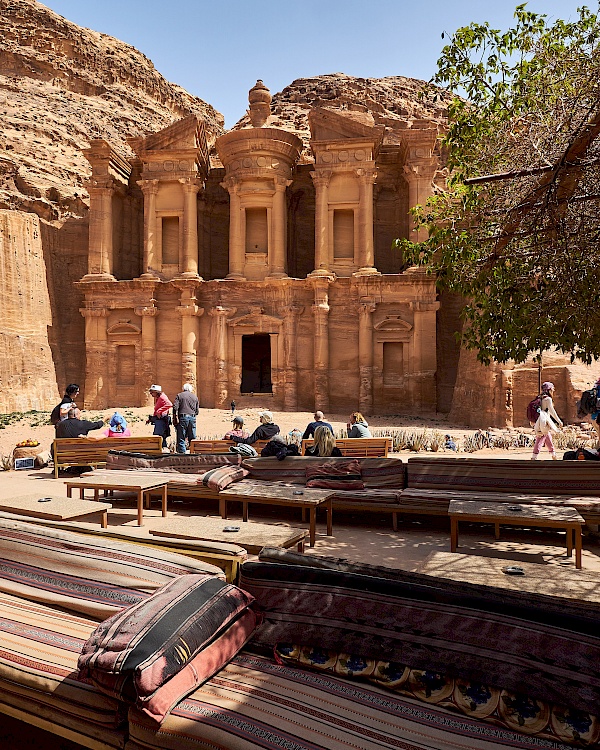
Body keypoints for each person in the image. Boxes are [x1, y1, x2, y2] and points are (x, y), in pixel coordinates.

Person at [531, 381, 563, 460]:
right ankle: (534, 456)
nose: (553, 391)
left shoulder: (539, 397)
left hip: (538, 421)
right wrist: (559, 421)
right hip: (543, 422)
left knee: (548, 437)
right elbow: (552, 411)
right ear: (549, 390)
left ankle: (553, 454)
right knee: (541, 438)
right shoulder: (548, 399)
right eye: (552, 389)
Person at [173, 383, 199, 454]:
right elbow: (197, 411)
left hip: (183, 418)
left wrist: (174, 417)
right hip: (192, 418)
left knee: (181, 436)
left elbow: (175, 407)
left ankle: (182, 453)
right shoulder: (195, 397)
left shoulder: (179, 395)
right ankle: (193, 452)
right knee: (192, 436)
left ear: (183, 389)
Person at [148, 384, 173, 450]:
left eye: (152, 392)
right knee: (161, 437)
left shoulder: (162, 397)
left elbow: (169, 404)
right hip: (159, 419)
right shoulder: (158, 398)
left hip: (161, 420)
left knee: (158, 436)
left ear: (156, 392)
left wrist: (159, 411)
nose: (151, 394)